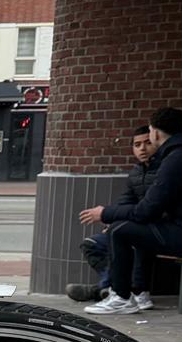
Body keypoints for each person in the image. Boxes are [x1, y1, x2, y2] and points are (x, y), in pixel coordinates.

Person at [82, 107, 182, 316]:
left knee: (120, 231)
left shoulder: (178, 158)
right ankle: (136, 293)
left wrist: (105, 213)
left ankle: (121, 297)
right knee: (134, 229)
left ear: (156, 133)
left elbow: (147, 210)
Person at [67, 125, 157, 302]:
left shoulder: (165, 171)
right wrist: (112, 222)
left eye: (148, 143)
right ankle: (108, 287)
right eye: (137, 145)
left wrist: (111, 217)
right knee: (91, 244)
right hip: (134, 225)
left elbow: (150, 210)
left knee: (127, 239)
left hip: (156, 230)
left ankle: (105, 288)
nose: (142, 149)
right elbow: (125, 201)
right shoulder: (136, 172)